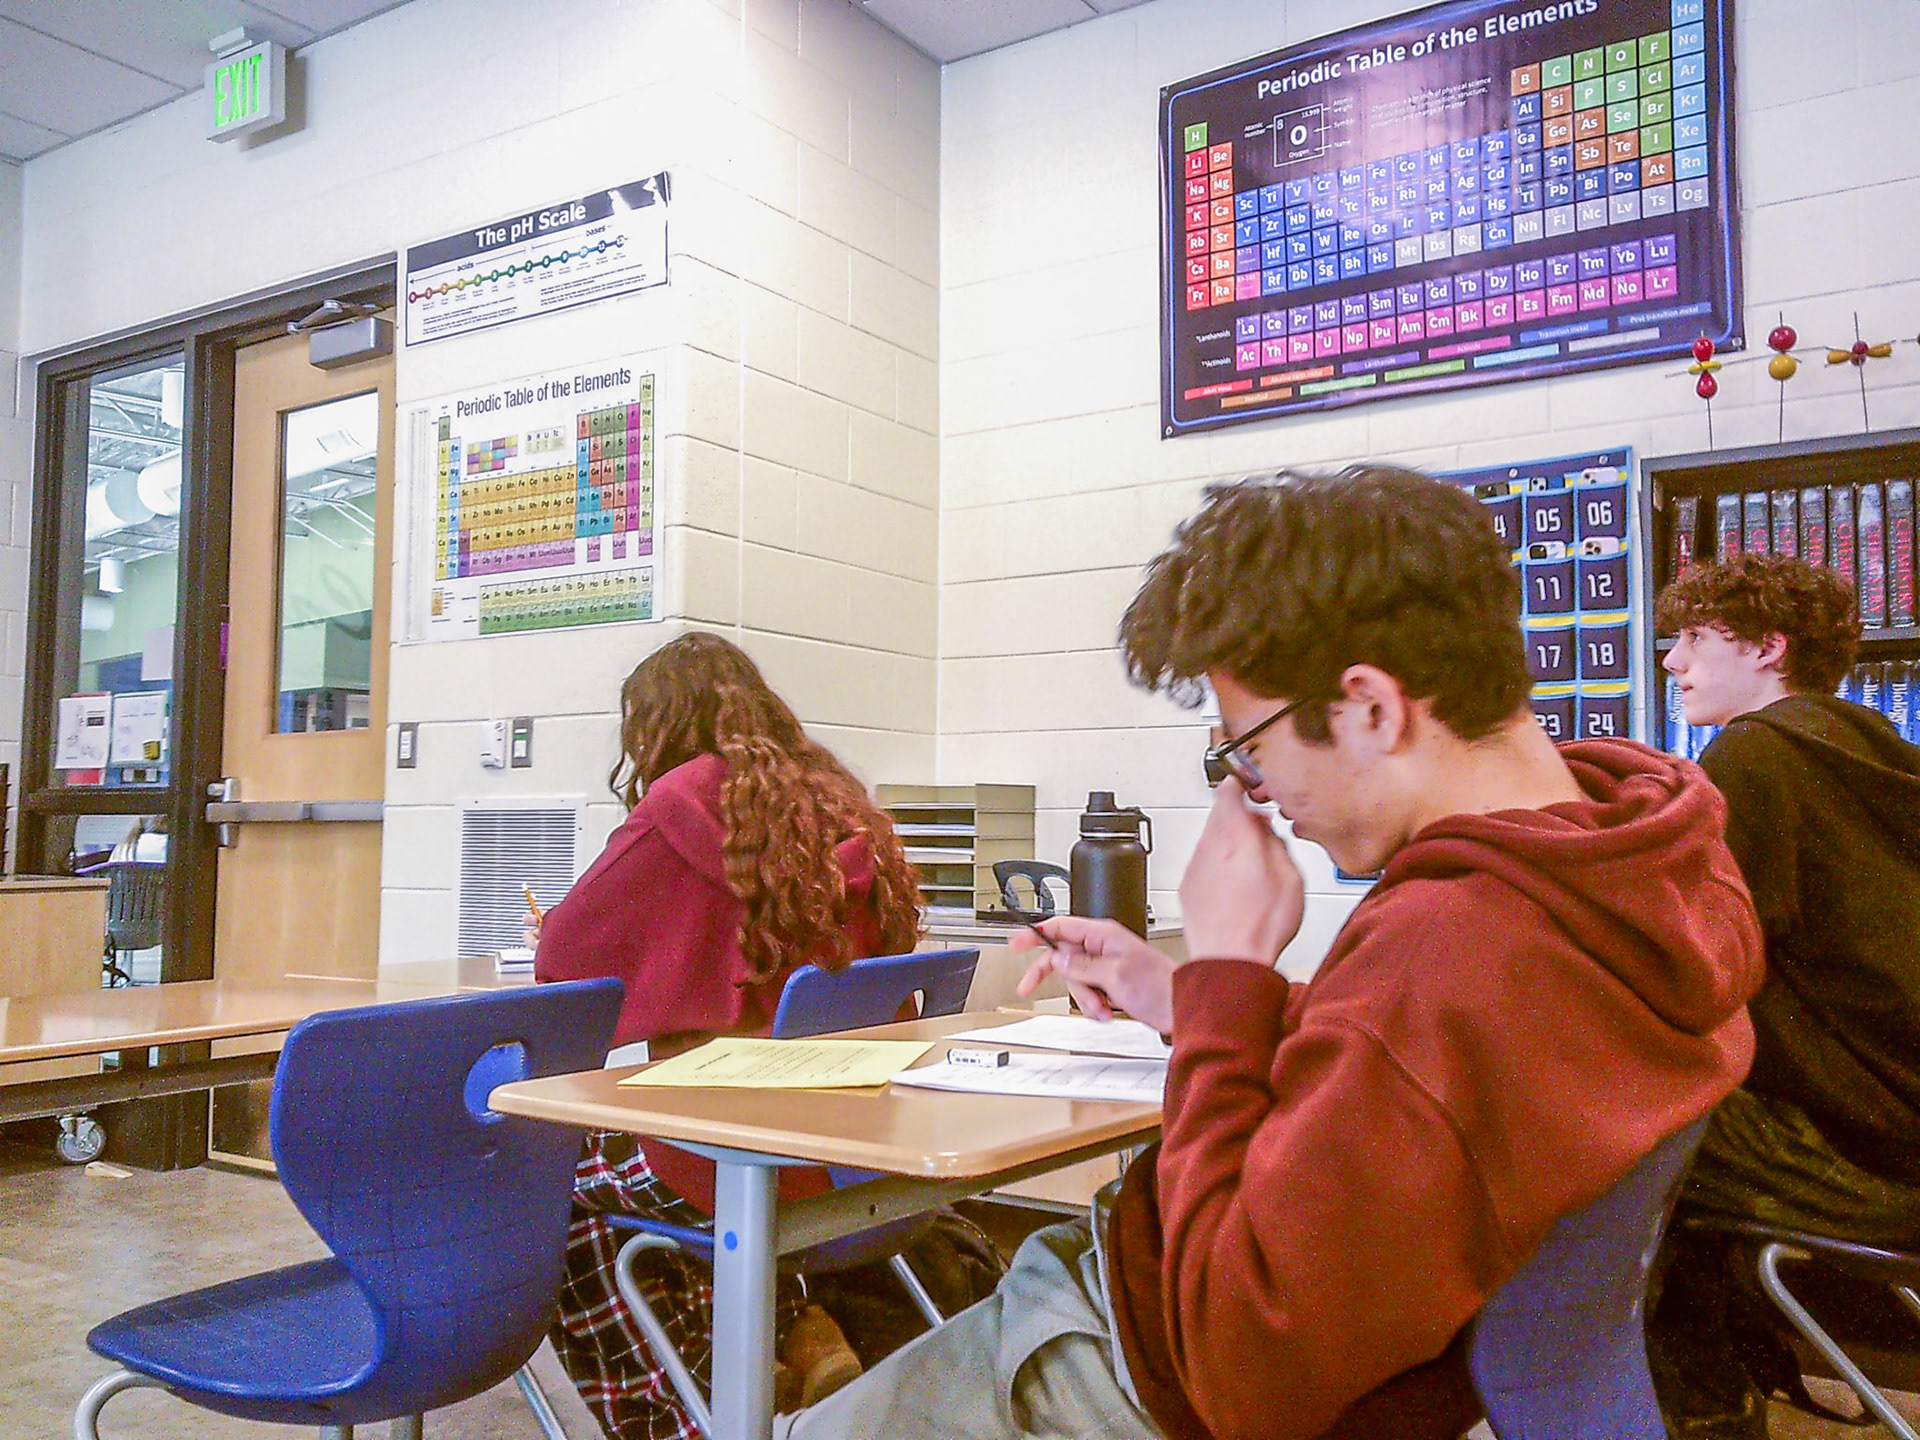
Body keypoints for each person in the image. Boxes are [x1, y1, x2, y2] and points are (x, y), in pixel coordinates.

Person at [774, 466, 1766, 1440]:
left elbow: (1239, 1379)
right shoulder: (1646, 862)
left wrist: (1233, 968)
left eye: (1250, 744)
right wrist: (1196, 1000)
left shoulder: (1449, 953)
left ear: (1372, 708)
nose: (1254, 787)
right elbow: (1428, 1100)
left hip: (1140, 1368)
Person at [534, 632, 926, 1440]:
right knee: (688, 1154)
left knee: (552, 1177)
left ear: (657, 727)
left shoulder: (679, 805)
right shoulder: (841, 798)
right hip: (867, 1154)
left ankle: (671, 1421)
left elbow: (565, 956)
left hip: (741, 1163)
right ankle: (795, 1342)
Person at [1648, 553, 1920, 1438]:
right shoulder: (1873, 754)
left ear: (1769, 648)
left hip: (1865, 1166)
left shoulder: (1756, 753)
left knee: (1625, 1131)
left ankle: (1708, 1414)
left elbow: (1697, 967)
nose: (1672, 663)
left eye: (1694, 638)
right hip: (1902, 1139)